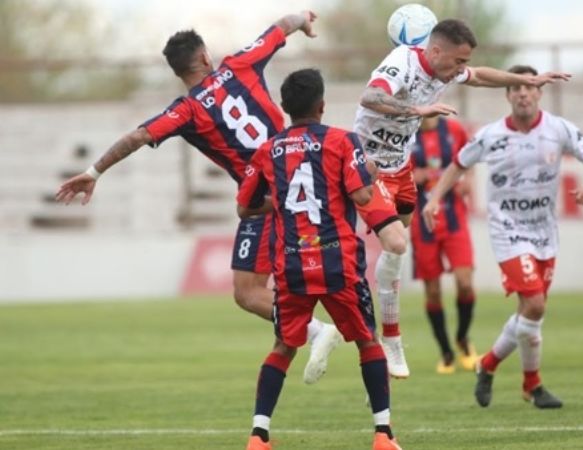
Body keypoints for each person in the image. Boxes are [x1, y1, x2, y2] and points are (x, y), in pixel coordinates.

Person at [54, 11, 342, 385]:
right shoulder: (239, 64)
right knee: (282, 284)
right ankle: (302, 365)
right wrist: (303, 18)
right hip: (302, 176)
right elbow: (280, 27)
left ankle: (317, 332)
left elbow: (137, 137)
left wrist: (93, 172)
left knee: (247, 292)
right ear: (205, 57)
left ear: (179, 72)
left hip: (265, 199)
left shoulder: (186, 110)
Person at [354, 18, 571, 378]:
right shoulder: (400, 64)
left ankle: (393, 328)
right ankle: (390, 337)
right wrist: (416, 110)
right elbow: (370, 96)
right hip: (368, 164)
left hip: (400, 167)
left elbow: (481, 76)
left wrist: (523, 79)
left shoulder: (445, 70)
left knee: (397, 244)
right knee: (396, 242)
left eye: (464, 63)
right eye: (458, 62)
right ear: (435, 51)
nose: (461, 70)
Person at [422, 64, 583, 409]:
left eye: (528, 88)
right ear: (507, 94)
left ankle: (491, 366)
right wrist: (434, 199)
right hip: (507, 230)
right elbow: (458, 165)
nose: (522, 94)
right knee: (535, 305)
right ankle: (531, 384)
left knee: (530, 312)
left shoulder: (559, 129)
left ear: (538, 92)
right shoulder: (491, 135)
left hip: (544, 232)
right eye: (516, 88)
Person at [237, 68, 400, 450]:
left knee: (283, 346)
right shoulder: (344, 141)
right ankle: (383, 435)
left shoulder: (268, 149)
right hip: (337, 260)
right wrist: (370, 173)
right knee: (367, 341)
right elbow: (361, 197)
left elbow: (244, 208)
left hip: (291, 263)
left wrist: (276, 203)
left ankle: (258, 436)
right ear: (322, 105)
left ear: (284, 107)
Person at [410, 116, 478, 374]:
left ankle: (462, 337)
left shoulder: (454, 129)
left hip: (454, 218)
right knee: (434, 291)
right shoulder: (406, 132)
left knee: (465, 282)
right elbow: (391, 169)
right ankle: (446, 352)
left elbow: (471, 156)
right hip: (422, 223)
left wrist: (469, 178)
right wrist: (410, 174)